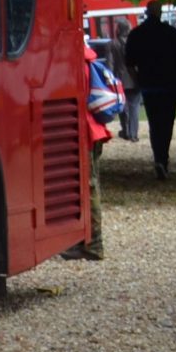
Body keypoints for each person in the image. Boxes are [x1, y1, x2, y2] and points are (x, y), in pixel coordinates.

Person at [64, 35, 121, 260]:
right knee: (89, 186)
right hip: (95, 130)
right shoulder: (89, 62)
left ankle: (94, 243)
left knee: (89, 187)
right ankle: (85, 241)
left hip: (85, 133)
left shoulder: (76, 67)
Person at [120, 0, 176, 176]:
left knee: (154, 123)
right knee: (167, 123)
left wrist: (139, 80)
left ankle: (158, 158)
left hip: (149, 86)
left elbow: (129, 64)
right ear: (160, 12)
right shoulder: (171, 33)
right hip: (169, 85)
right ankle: (163, 158)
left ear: (146, 12)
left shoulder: (136, 34)